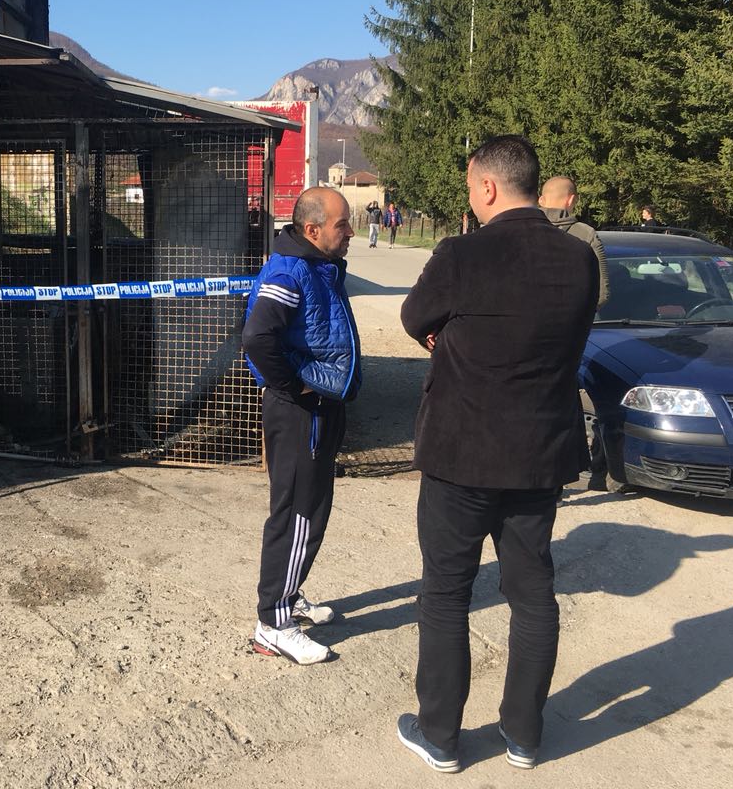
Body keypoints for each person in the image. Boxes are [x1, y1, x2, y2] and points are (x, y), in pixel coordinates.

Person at [395, 135, 599, 772]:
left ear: (486, 186)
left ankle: (440, 736)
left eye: (469, 186)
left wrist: (448, 334)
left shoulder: (461, 253)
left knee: (445, 593)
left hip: (462, 454)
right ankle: (524, 735)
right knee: (533, 593)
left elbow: (413, 317)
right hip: (540, 455)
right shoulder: (580, 259)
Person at [242, 186, 364, 665]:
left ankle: (288, 596)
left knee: (312, 508)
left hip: (320, 407)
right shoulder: (289, 271)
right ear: (312, 230)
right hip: (299, 413)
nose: (351, 232)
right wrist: (294, 387)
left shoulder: (319, 265)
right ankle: (273, 624)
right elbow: (257, 337)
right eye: (342, 224)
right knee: (297, 515)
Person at [539, 176, 610, 308]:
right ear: (571, 200)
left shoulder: (519, 229)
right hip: (575, 318)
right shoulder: (586, 234)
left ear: (541, 200)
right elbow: (601, 293)